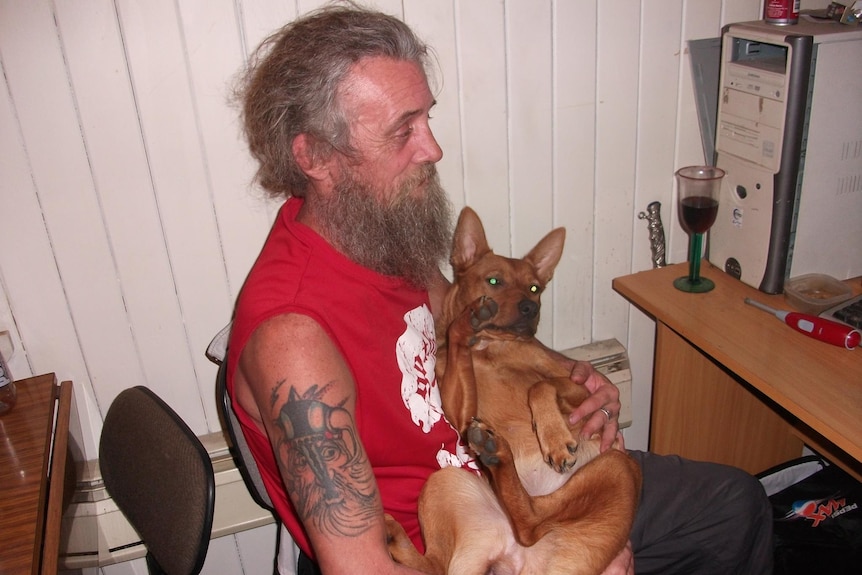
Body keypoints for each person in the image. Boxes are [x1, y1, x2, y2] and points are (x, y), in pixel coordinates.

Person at [226, 3, 774, 574]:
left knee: (734, 505)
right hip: (454, 542)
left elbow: (472, 324)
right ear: (315, 155)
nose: (432, 149)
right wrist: (582, 553)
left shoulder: (378, 236)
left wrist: (566, 375)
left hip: (513, 476)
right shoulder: (293, 338)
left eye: (427, 119)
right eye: (402, 131)